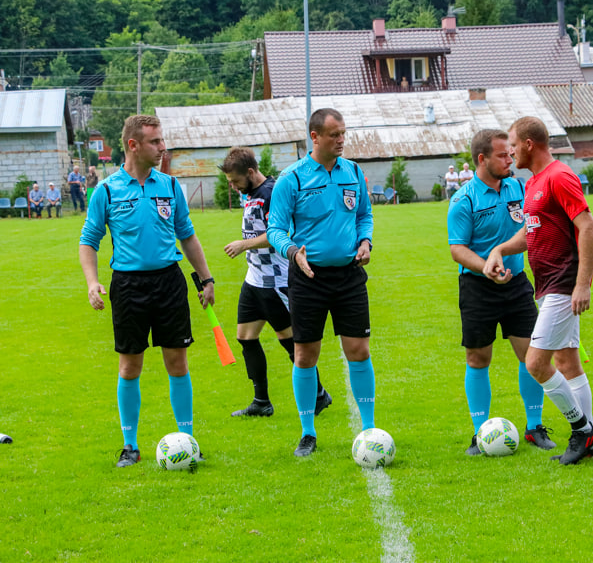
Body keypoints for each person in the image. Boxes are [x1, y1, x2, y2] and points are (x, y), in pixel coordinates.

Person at [79, 114, 216, 468]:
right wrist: (93, 282)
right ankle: (130, 446)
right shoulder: (107, 190)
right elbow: (88, 241)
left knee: (177, 362)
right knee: (130, 367)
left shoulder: (170, 186)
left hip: (169, 282)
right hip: (128, 286)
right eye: (155, 142)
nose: (162, 147)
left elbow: (187, 235)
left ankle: (187, 439)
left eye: (161, 140)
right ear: (133, 145)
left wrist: (206, 278)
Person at [483, 116, 593, 465]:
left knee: (536, 363)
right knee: (567, 362)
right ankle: (589, 440)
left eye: (514, 146)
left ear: (529, 144)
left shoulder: (559, 176)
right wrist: (500, 249)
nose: (511, 153)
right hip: (549, 284)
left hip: (564, 284)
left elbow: (589, 228)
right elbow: (530, 232)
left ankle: (583, 431)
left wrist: (582, 284)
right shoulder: (534, 182)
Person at [267, 108, 375, 457]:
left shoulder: (353, 171)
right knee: (305, 354)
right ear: (314, 137)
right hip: (308, 278)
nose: (341, 140)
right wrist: (292, 251)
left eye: (343, 133)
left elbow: (364, 215)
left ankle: (370, 427)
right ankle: (308, 432)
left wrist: (365, 241)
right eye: (334, 135)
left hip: (349, 276)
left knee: (358, 351)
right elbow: (275, 229)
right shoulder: (292, 179)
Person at [447, 129, 554, 455]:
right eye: (503, 156)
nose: (510, 160)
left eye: (510, 154)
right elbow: (457, 249)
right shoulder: (463, 200)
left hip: (518, 285)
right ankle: (480, 433)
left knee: (532, 356)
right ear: (482, 159)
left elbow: (531, 224)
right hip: (478, 287)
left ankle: (534, 427)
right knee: (478, 357)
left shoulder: (518, 188)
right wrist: (486, 267)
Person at [219, 147, 332, 418]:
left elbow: (277, 233)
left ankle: (318, 394)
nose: (233, 187)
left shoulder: (271, 193)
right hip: (254, 279)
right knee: (246, 337)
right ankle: (261, 402)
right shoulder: (250, 194)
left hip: (276, 281)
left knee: (291, 341)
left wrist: (243, 244)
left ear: (250, 172)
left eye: (235, 180)